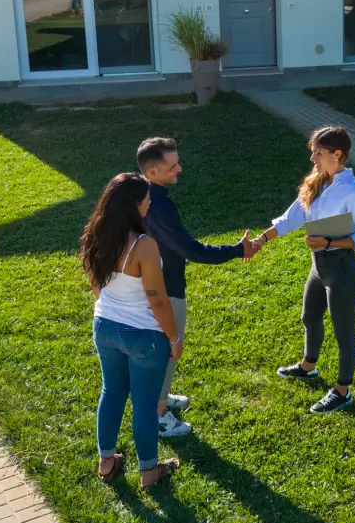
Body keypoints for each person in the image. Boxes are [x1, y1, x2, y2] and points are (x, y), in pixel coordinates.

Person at [136, 137, 258, 438]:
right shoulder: (159, 206)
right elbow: (193, 250)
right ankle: (158, 414)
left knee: (160, 349)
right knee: (169, 348)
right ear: (153, 172)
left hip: (150, 282)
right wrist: (237, 250)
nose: (180, 168)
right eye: (173, 165)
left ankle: (158, 399)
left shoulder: (140, 193)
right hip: (165, 288)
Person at [252, 126, 355, 414]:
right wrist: (262, 239)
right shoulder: (318, 182)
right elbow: (293, 216)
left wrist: (328, 241)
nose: (313, 158)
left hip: (342, 269)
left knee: (344, 331)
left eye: (318, 153)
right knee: (309, 316)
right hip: (318, 267)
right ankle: (308, 367)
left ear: (337, 154)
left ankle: (343, 391)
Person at [81, 173, 182, 488]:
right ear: (134, 205)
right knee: (145, 404)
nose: (150, 202)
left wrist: (113, 310)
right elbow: (158, 301)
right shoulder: (144, 245)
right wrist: (174, 338)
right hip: (144, 336)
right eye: (146, 199)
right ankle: (149, 472)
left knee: (111, 392)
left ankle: (107, 462)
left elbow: (94, 282)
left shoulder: (95, 234)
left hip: (104, 327)